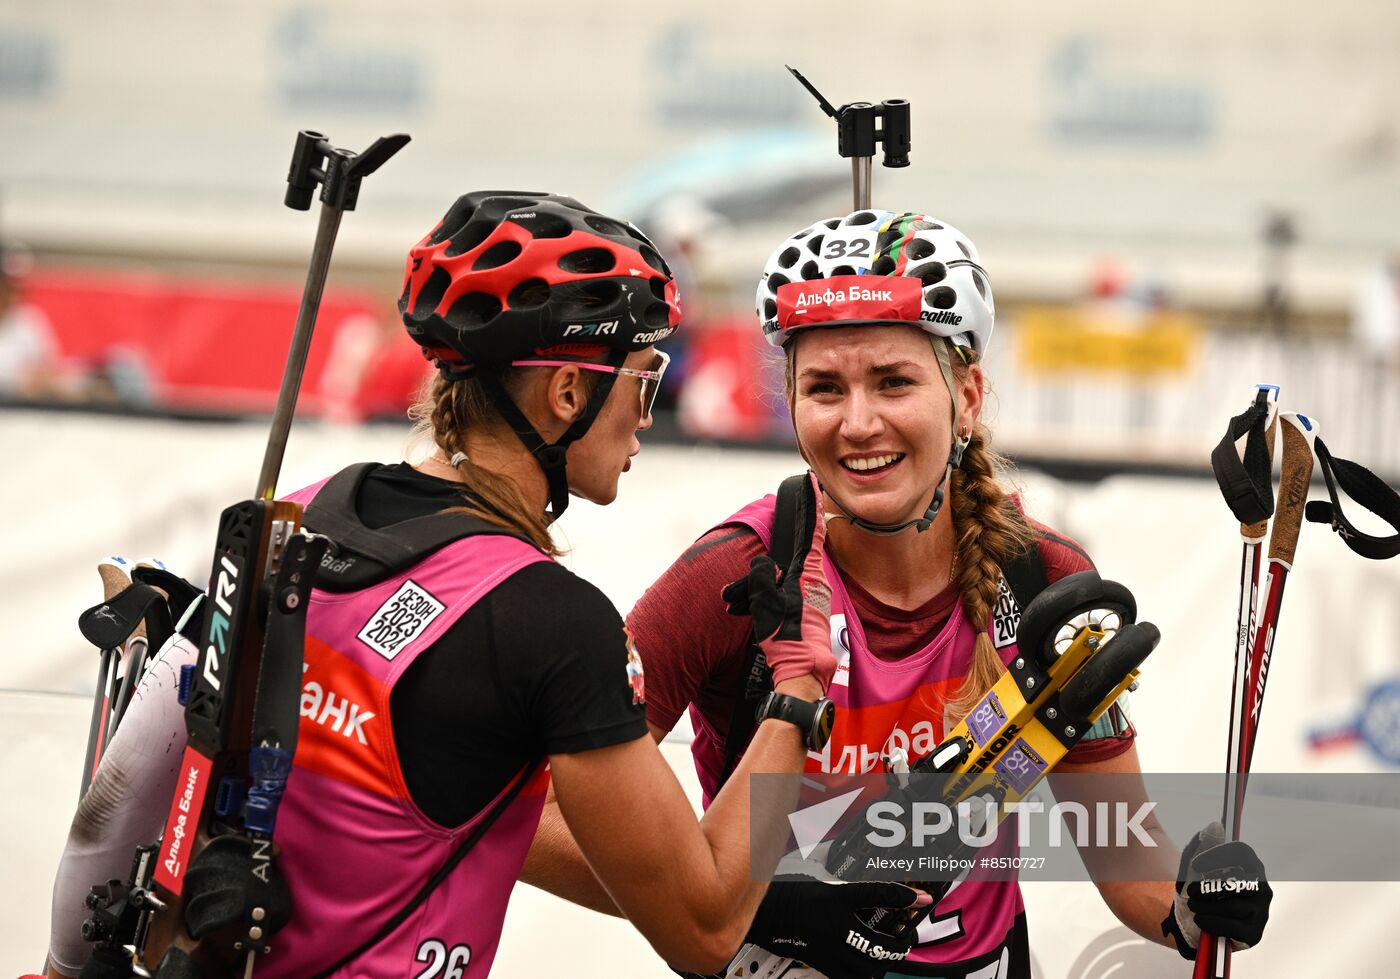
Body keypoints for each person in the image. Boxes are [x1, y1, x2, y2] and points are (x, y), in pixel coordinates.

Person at [44, 193, 853, 979]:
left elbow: (108, 816)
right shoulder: (552, 620)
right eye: (643, 380)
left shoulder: (300, 513)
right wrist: (797, 692)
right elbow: (704, 926)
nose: (646, 415)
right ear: (568, 392)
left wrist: (63, 966)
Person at [524, 209, 1274, 977]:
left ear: (968, 396)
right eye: (823, 387)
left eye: (893, 382)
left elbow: (1128, 859)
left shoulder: (1039, 575)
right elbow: (526, 813)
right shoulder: (733, 574)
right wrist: (760, 899)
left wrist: (1191, 907)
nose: (858, 423)